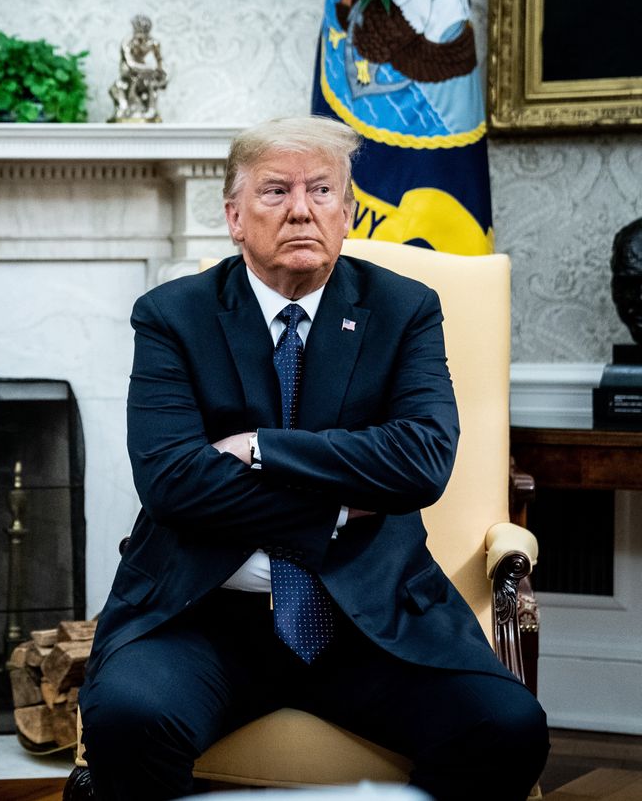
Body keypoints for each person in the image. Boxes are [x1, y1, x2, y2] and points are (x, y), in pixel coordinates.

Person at [79, 116, 548, 801]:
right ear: (234, 216)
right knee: (127, 719)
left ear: (349, 210)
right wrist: (339, 500)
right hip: (206, 617)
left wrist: (261, 447)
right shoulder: (172, 316)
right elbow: (173, 480)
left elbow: (421, 460)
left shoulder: (403, 310)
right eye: (275, 191)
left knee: (507, 726)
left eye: (321, 190)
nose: (301, 208)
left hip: (372, 616)